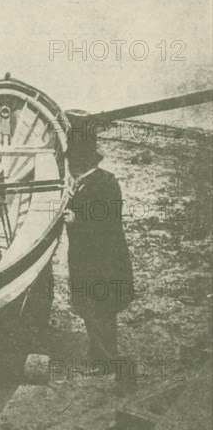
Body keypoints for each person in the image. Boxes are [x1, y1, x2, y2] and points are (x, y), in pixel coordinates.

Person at [65, 118, 134, 368]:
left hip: (101, 263)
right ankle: (97, 355)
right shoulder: (90, 183)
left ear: (78, 162)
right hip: (93, 262)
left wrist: (74, 219)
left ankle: (108, 360)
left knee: (100, 311)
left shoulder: (103, 184)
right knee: (94, 311)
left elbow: (102, 224)